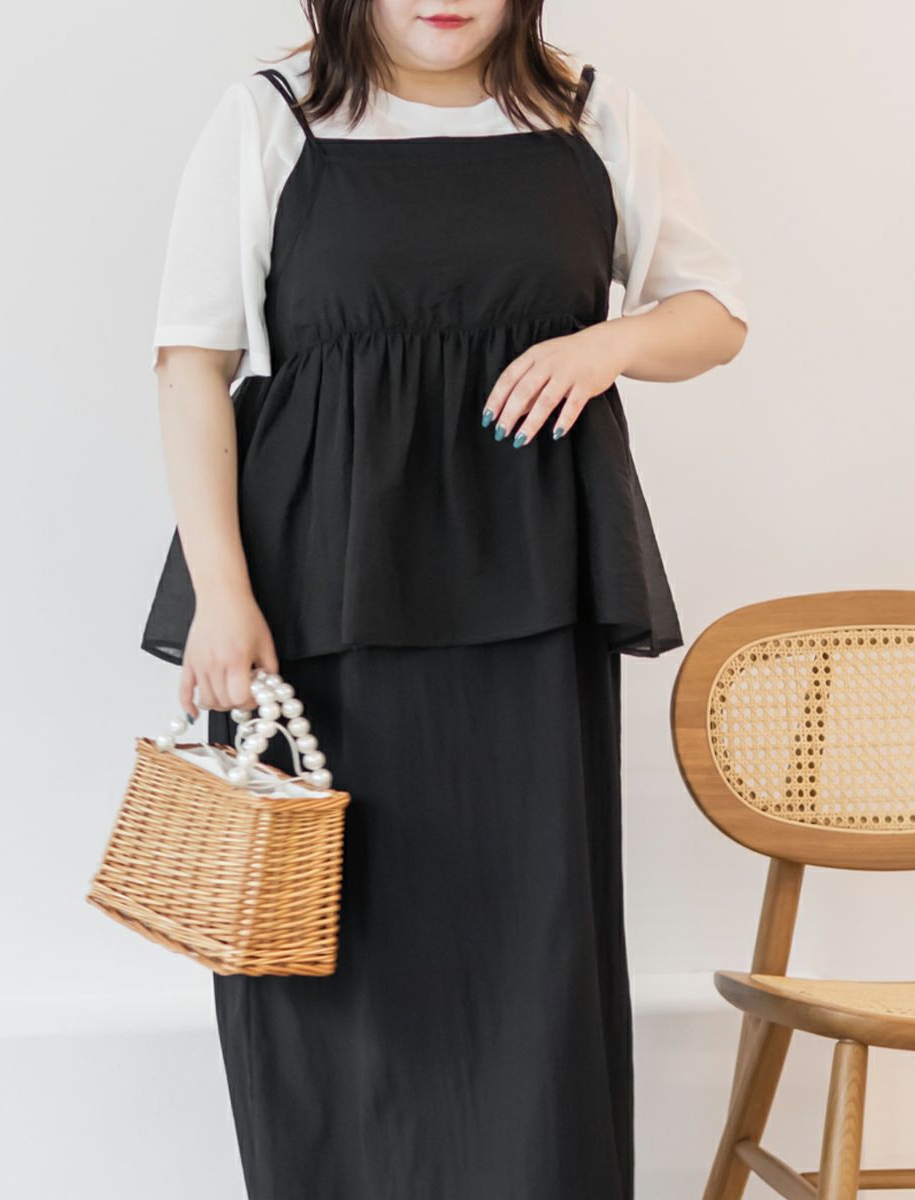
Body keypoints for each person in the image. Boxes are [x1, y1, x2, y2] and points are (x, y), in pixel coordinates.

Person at [141, 2, 749, 1196]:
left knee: (534, 956)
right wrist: (222, 592)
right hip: (315, 597)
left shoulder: (590, 115)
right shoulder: (273, 118)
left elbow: (713, 314)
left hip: (532, 591)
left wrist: (607, 346)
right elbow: (189, 364)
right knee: (326, 963)